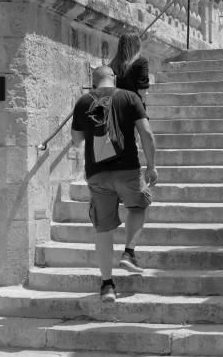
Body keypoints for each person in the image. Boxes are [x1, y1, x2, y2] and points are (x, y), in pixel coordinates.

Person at [70, 65, 158, 303]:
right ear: (114, 77)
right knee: (138, 206)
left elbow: (77, 139)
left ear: (93, 80)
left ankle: (107, 286)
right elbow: (146, 133)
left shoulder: (82, 102)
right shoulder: (130, 97)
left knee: (103, 229)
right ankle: (129, 253)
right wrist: (151, 166)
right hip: (127, 169)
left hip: (97, 174)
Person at [109, 32, 150, 108]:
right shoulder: (142, 62)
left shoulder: (112, 64)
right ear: (137, 45)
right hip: (134, 105)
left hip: (116, 105)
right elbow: (141, 90)